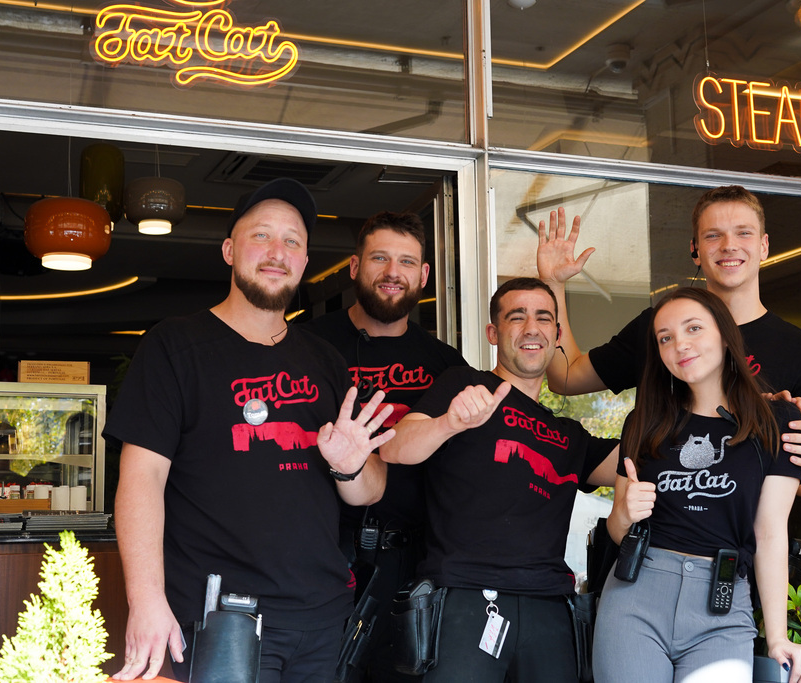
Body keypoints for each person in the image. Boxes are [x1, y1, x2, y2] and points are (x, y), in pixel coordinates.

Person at [106, 178, 396, 683]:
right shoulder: (174, 347)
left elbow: (371, 488)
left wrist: (349, 466)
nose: (277, 252)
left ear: (304, 263)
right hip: (222, 619)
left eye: (292, 241)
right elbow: (141, 479)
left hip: (323, 618)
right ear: (229, 250)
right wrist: (146, 599)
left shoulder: (326, 361)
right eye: (261, 235)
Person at [379, 277, 636, 683]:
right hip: (467, 597)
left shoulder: (570, 436)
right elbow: (394, 449)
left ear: (557, 336)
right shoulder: (465, 387)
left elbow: (642, 461)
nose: (532, 328)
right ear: (493, 333)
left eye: (543, 318)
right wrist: (449, 423)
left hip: (551, 609)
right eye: (517, 317)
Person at [537, 185, 801, 499]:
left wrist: (800, 456)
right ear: (695, 249)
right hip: (659, 522)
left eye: (743, 233)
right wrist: (553, 284)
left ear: (764, 246)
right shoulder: (660, 327)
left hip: (746, 528)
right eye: (713, 235)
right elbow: (565, 376)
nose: (729, 245)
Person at [593, 287, 801, 683]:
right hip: (635, 597)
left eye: (693, 328)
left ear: (725, 335)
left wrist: (778, 637)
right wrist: (626, 513)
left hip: (722, 607)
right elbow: (618, 530)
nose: (679, 344)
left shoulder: (776, 421)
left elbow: (770, 533)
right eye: (665, 338)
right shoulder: (644, 421)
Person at [304, 210, 467, 682]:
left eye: (406, 262)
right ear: (355, 267)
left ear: (424, 275)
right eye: (380, 258)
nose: (393, 272)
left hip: (413, 564)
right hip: (323, 555)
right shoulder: (308, 345)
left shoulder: (445, 364)